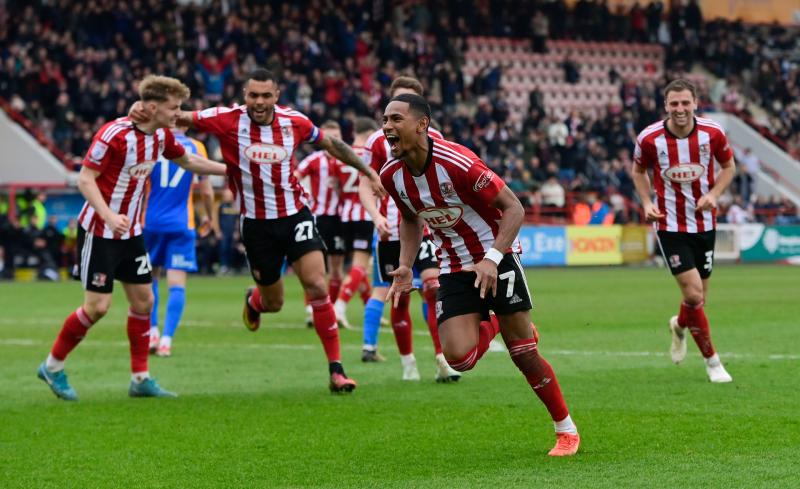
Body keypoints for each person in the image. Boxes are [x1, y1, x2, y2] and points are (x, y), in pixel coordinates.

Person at [132, 68, 385, 393]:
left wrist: (367, 170)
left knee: (317, 285)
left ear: (276, 95)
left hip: (296, 215)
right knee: (274, 302)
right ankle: (255, 301)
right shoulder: (225, 118)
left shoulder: (294, 121)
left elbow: (332, 143)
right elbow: (177, 117)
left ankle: (336, 370)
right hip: (256, 226)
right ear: (245, 95)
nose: (260, 102)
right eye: (253, 96)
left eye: (266, 95)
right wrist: (139, 111)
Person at [381, 93, 580, 456]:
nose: (387, 127)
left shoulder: (457, 162)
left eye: (396, 119)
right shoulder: (391, 175)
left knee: (524, 354)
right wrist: (406, 264)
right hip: (453, 264)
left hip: (496, 254)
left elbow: (514, 208)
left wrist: (492, 257)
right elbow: (410, 218)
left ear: (422, 125)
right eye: (385, 120)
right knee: (458, 358)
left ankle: (566, 430)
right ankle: (496, 324)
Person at [37, 75, 227, 401]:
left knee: (144, 301)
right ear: (152, 107)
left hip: (132, 232)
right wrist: (109, 216)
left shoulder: (161, 135)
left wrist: (232, 170)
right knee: (97, 307)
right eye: (174, 108)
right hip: (100, 230)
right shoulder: (114, 134)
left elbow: (189, 160)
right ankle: (52, 367)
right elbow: (85, 180)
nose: (178, 113)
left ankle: (140, 378)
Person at [632, 78, 736, 383]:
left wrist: (715, 195)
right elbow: (638, 171)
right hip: (670, 224)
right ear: (666, 105)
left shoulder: (713, 133)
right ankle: (713, 362)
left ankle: (679, 325)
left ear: (695, 103)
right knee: (693, 294)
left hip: (705, 223)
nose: (680, 109)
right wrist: (645, 201)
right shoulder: (649, 138)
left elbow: (729, 167)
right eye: (674, 103)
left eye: (685, 103)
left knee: (699, 297)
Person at [358, 76, 461, 382]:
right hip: (392, 230)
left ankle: (442, 359)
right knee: (400, 295)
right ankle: (408, 363)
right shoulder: (377, 141)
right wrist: (375, 215)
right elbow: (365, 181)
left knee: (433, 289)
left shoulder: (436, 137)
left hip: (427, 229)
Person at [143, 128, 215, 357]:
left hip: (150, 223)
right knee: (177, 283)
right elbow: (206, 190)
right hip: (181, 224)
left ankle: (152, 332)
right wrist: (209, 217)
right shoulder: (196, 147)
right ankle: (166, 340)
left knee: (150, 278)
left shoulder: (151, 144)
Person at [294, 121, 348, 326]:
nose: (334, 140)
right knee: (314, 269)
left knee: (336, 268)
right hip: (318, 218)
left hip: (340, 219)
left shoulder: (348, 159)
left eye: (337, 135)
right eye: (330, 136)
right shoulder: (314, 160)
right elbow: (295, 178)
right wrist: (304, 198)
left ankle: (331, 309)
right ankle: (310, 309)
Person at [331, 117, 379, 329]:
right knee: (360, 265)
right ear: (370, 134)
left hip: (345, 216)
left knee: (356, 266)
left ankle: (370, 305)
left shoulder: (339, 156)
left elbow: (335, 187)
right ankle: (338, 307)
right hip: (365, 215)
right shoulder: (372, 156)